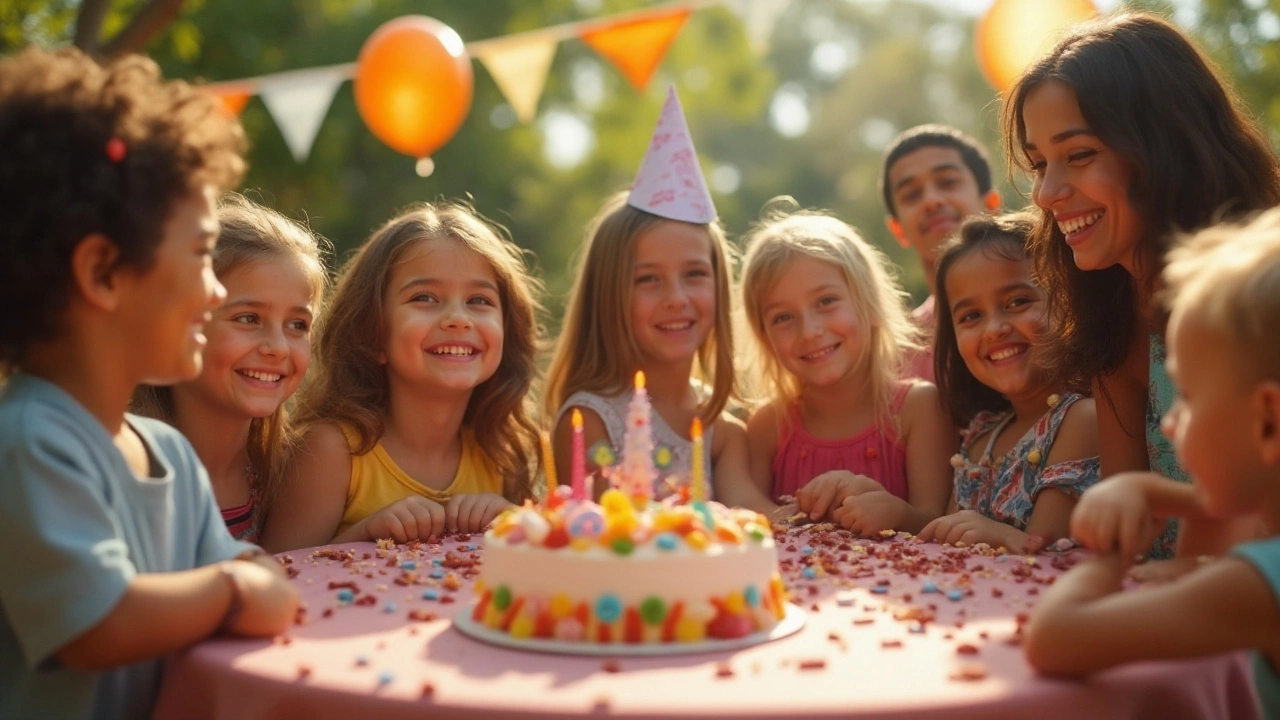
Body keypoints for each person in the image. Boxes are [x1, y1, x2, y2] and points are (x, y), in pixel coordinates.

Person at [0, 48, 297, 720]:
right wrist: (233, 590)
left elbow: (254, 572)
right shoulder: (28, 441)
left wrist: (246, 580)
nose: (215, 289)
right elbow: (96, 622)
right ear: (103, 272)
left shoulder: (169, 452)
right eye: (200, 255)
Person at [1003, 11, 1280, 561]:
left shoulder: (1259, 300)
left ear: (1166, 147)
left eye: (1078, 154)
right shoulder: (1111, 308)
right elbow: (1124, 528)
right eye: (1038, 164)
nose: (1045, 193)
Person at [1023, 208, 1280, 717]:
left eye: (1186, 394)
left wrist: (1114, 555)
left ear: (1268, 419)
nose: (1169, 421)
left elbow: (1054, 638)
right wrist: (1149, 492)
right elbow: (1220, 504)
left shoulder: (1256, 587)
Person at [260, 202, 543, 551]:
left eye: (479, 300)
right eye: (424, 297)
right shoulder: (332, 452)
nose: (458, 318)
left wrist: (514, 522)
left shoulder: (499, 453)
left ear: (507, 331)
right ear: (373, 333)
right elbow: (279, 573)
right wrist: (368, 533)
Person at [544, 88, 772, 512]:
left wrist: (823, 508)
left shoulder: (722, 429)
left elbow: (756, 516)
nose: (676, 298)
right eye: (648, 279)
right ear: (608, 295)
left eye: (695, 275)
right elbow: (611, 528)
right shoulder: (590, 422)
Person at [740, 200, 955, 536]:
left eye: (826, 301)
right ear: (765, 339)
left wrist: (896, 512)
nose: (809, 330)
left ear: (870, 306)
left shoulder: (920, 409)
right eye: (783, 317)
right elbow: (747, 520)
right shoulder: (768, 426)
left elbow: (936, 524)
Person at [133, 193, 329, 542]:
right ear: (181, 323)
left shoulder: (287, 474)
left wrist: (362, 535)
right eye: (248, 318)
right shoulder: (131, 468)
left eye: (297, 325)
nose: (278, 348)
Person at [916, 213, 1099, 552]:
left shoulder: (1081, 419)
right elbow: (943, 544)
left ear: (1069, 300)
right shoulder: (979, 436)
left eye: (1017, 302)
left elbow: (1047, 554)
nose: (994, 329)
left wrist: (997, 535)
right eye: (971, 316)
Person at [880, 124, 1001, 381]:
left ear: (991, 205)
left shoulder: (1052, 304)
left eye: (947, 182)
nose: (931, 200)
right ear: (897, 230)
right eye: (911, 194)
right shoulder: (899, 357)